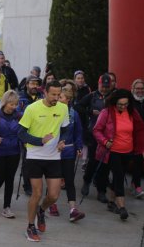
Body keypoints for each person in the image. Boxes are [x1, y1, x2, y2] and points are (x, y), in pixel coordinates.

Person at [18, 80, 69, 242]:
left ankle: (41, 211)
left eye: (58, 94)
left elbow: (66, 129)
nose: (56, 97)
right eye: (53, 94)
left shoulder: (63, 108)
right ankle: (30, 226)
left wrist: (63, 141)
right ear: (45, 92)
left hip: (53, 157)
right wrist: (40, 140)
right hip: (34, 157)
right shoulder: (32, 108)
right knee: (37, 193)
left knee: (53, 196)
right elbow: (21, 133)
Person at [93, 89, 144, 220]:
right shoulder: (106, 113)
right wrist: (105, 141)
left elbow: (141, 130)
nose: (123, 107)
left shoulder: (132, 112)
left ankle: (112, 202)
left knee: (120, 175)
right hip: (112, 151)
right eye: (120, 104)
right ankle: (122, 207)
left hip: (128, 150)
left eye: (126, 104)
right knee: (118, 177)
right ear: (114, 102)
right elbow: (97, 130)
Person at [48, 87, 86, 221]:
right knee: (54, 180)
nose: (58, 98)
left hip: (69, 152)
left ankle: (73, 209)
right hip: (53, 152)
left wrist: (79, 146)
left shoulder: (73, 114)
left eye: (61, 97)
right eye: (57, 96)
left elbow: (78, 132)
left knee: (69, 180)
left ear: (68, 100)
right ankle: (52, 204)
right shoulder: (51, 111)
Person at [76, 73, 113, 203]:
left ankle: (101, 191)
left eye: (107, 86)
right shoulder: (92, 96)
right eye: (103, 86)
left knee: (105, 164)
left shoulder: (113, 96)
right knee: (92, 161)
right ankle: (87, 182)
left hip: (108, 135)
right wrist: (90, 112)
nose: (105, 89)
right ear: (98, 84)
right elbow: (78, 106)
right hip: (93, 133)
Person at [0, 90, 21, 218]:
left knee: (10, 178)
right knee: (0, 177)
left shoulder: (19, 116)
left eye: (15, 104)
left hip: (14, 150)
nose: (13, 107)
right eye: (11, 104)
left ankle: (6, 207)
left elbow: (24, 131)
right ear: (5, 102)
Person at [17, 75, 44, 196]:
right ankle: (27, 185)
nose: (34, 86)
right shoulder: (21, 98)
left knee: (37, 161)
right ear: (27, 84)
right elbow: (17, 113)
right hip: (25, 132)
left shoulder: (41, 97)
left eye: (36, 84)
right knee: (27, 160)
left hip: (39, 132)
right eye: (32, 84)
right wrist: (32, 109)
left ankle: (35, 184)